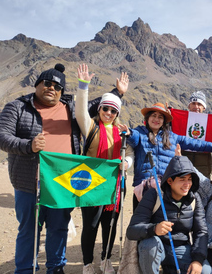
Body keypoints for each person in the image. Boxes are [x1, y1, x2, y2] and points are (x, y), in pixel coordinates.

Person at [0, 63, 126, 274]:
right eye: (47, 83)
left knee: (58, 227)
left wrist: (118, 92)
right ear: (37, 84)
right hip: (30, 181)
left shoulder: (69, 107)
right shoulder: (18, 106)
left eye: (57, 86)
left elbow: (98, 105)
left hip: (64, 181)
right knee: (29, 229)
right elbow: (0, 136)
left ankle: (55, 268)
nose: (51, 88)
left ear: (62, 91)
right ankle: (26, 269)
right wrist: (29, 146)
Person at [76, 64, 134, 274]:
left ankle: (106, 260)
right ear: (99, 109)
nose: (109, 113)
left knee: (109, 226)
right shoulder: (90, 127)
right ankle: (87, 263)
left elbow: (130, 153)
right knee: (90, 226)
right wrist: (83, 86)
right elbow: (81, 111)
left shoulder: (122, 132)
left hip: (114, 186)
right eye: (105, 109)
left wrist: (127, 163)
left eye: (113, 110)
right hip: (90, 185)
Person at [118, 103, 212, 211]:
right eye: (153, 116)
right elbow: (133, 137)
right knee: (140, 224)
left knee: (162, 223)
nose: (156, 119)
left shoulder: (172, 137)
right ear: (148, 118)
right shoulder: (139, 133)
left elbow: (193, 143)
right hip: (143, 188)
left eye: (160, 117)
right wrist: (129, 133)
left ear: (164, 121)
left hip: (167, 188)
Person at [126, 156, 211, 274]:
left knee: (206, 271)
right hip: (155, 246)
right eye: (182, 179)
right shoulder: (153, 195)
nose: (187, 184)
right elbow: (132, 231)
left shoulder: (194, 199)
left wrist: (198, 260)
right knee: (150, 246)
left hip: (181, 248)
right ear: (170, 181)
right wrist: (154, 229)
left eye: (189, 179)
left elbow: (201, 231)